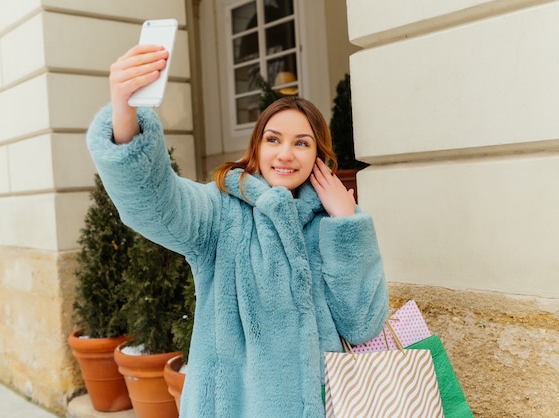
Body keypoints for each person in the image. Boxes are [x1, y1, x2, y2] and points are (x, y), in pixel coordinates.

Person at [87, 44, 389, 418]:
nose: (285, 154)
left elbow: (362, 325)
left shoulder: (337, 222)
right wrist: (125, 113)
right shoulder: (221, 211)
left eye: (302, 143)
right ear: (256, 146)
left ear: (319, 155)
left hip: (329, 405)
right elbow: (156, 204)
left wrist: (346, 224)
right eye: (274, 139)